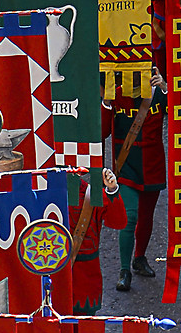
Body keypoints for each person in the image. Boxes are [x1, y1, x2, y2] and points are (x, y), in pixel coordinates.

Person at [107, 73, 167, 293]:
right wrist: (105, 102)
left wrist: (166, 88)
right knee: (129, 216)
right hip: (127, 163)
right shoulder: (116, 93)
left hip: (152, 164)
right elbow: (103, 132)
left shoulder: (158, 93)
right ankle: (125, 270)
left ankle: (139, 258)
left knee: (146, 216)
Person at [68, 168, 128, 317]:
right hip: (53, 275)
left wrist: (112, 190)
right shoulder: (45, 192)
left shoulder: (92, 195)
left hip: (85, 280)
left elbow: (118, 222)